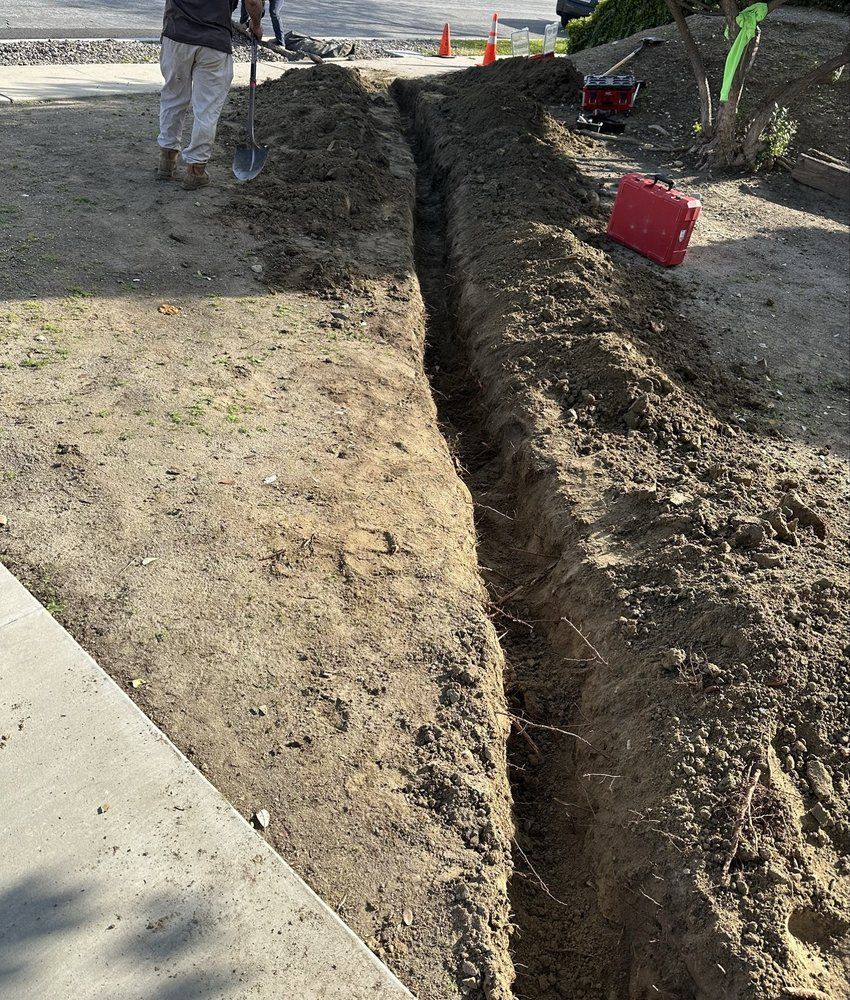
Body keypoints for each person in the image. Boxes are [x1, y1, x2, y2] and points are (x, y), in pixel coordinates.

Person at [157, 0, 262, 191]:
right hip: (213, 42)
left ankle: (167, 159)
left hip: (176, 35)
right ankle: (195, 171)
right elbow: (253, 2)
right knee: (206, 108)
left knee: (173, 98)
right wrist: (256, 25)